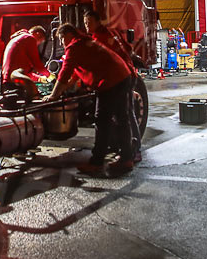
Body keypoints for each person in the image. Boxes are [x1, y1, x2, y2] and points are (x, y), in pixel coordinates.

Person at [44, 23, 136, 175]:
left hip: (110, 81)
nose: (61, 43)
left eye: (61, 39)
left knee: (102, 120)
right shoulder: (85, 42)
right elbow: (75, 73)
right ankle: (126, 159)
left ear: (67, 35)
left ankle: (97, 162)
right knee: (122, 119)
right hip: (122, 76)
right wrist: (65, 88)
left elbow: (65, 72)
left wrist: (54, 95)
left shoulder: (74, 46)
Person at [83, 10, 142, 162]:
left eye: (89, 22)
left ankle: (134, 148)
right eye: (85, 23)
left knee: (125, 114)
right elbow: (128, 49)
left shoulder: (99, 38)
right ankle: (130, 147)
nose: (87, 26)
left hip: (121, 77)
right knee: (126, 113)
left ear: (97, 22)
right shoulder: (112, 32)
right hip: (128, 73)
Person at [0, 25, 50, 99]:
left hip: (8, 81)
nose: (38, 44)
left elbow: (24, 71)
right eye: (40, 41)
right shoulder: (29, 38)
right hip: (15, 82)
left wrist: (39, 78)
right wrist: (50, 76)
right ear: (37, 33)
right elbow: (37, 64)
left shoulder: (19, 39)